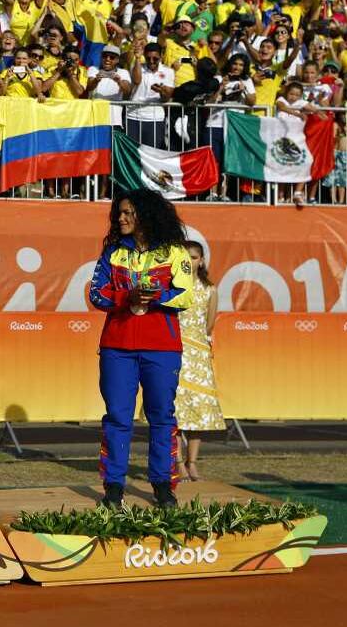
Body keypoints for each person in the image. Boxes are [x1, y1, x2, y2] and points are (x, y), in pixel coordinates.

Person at [88, 189, 194, 508]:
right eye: (118, 213)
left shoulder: (174, 251)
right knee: (117, 417)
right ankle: (113, 488)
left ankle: (163, 486)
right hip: (117, 346)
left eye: (127, 213)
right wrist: (127, 298)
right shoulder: (114, 252)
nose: (120, 218)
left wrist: (155, 297)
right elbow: (96, 294)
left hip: (161, 347)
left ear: (146, 215)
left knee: (161, 416)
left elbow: (186, 296)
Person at [174, 240, 222, 483]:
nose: (190, 261)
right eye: (185, 257)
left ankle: (192, 463)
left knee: (199, 410)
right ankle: (177, 463)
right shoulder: (173, 286)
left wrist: (197, 343)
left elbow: (209, 323)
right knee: (175, 410)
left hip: (199, 353)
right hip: (175, 351)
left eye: (194, 257)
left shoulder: (210, 289)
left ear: (201, 261)